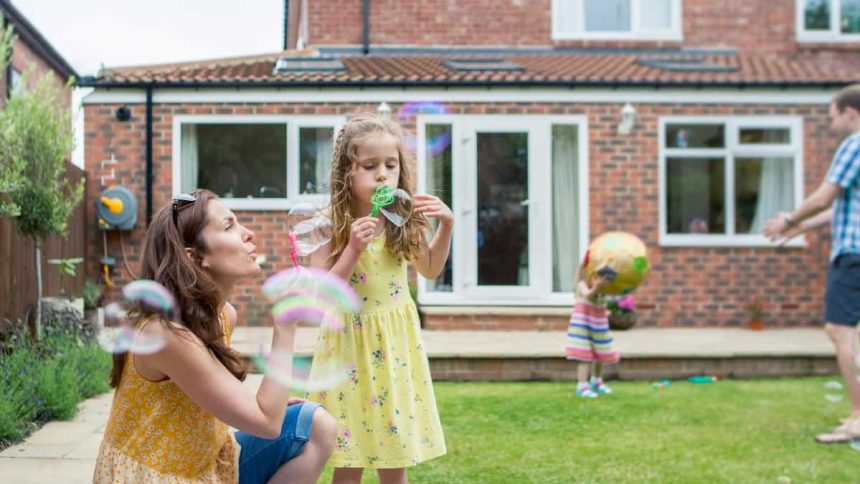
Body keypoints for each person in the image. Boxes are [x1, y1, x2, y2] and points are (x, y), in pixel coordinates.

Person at [93, 189, 336, 483]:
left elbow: (210, 390)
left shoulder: (224, 315)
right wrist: (285, 326)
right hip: (158, 477)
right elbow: (266, 423)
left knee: (315, 426)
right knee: (283, 423)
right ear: (195, 257)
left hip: (205, 466)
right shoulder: (167, 334)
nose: (248, 234)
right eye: (229, 226)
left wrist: (265, 404)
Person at [306, 113, 453, 483]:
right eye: (370, 166)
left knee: (393, 458)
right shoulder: (329, 224)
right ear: (346, 173)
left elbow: (431, 267)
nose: (383, 175)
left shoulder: (401, 219)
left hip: (393, 349)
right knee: (349, 458)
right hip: (347, 347)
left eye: (391, 164)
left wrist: (446, 226)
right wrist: (353, 248)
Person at [763, 84, 860, 444]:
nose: (830, 123)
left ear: (850, 112)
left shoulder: (854, 145)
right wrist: (802, 226)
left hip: (852, 254)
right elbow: (844, 206)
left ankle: (858, 416)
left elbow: (824, 196)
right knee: (851, 335)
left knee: (840, 331)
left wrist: (789, 219)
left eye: (832, 115)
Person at [565, 264, 617, 399]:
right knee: (584, 357)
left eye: (607, 280)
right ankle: (582, 386)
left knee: (600, 355)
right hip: (582, 326)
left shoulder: (603, 292)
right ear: (593, 276)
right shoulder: (582, 285)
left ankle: (596, 381)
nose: (604, 282)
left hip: (598, 327)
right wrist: (596, 286)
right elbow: (588, 295)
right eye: (602, 279)